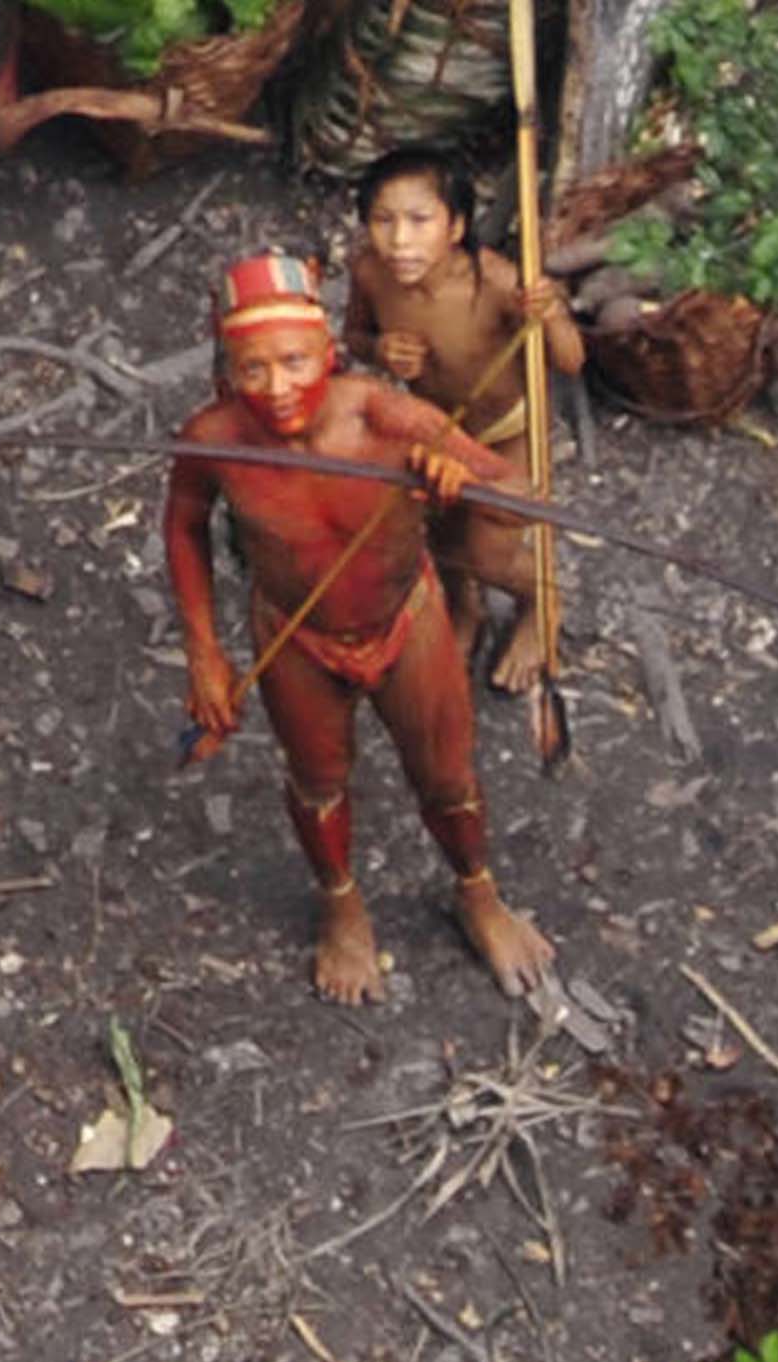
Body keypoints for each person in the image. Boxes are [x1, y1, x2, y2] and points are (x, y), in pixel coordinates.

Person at [168, 252, 555, 1005]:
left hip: (403, 618)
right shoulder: (212, 439)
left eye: (294, 362)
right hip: (296, 634)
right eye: (253, 370)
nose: (276, 387)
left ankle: (478, 893)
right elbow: (183, 527)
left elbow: (520, 495)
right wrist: (203, 653)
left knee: (447, 777)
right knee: (317, 781)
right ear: (227, 373)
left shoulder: (386, 417)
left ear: (328, 353)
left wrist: (461, 482)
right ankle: (342, 906)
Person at [343, 146, 585, 691]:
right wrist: (379, 350)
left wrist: (549, 317)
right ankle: (464, 609)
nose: (399, 241)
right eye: (383, 220)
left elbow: (571, 361)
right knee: (442, 537)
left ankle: (541, 601)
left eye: (419, 220)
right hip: (436, 430)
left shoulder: (497, 284)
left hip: (507, 434)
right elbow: (353, 335)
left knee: (490, 551)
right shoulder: (370, 273)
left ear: (455, 227)